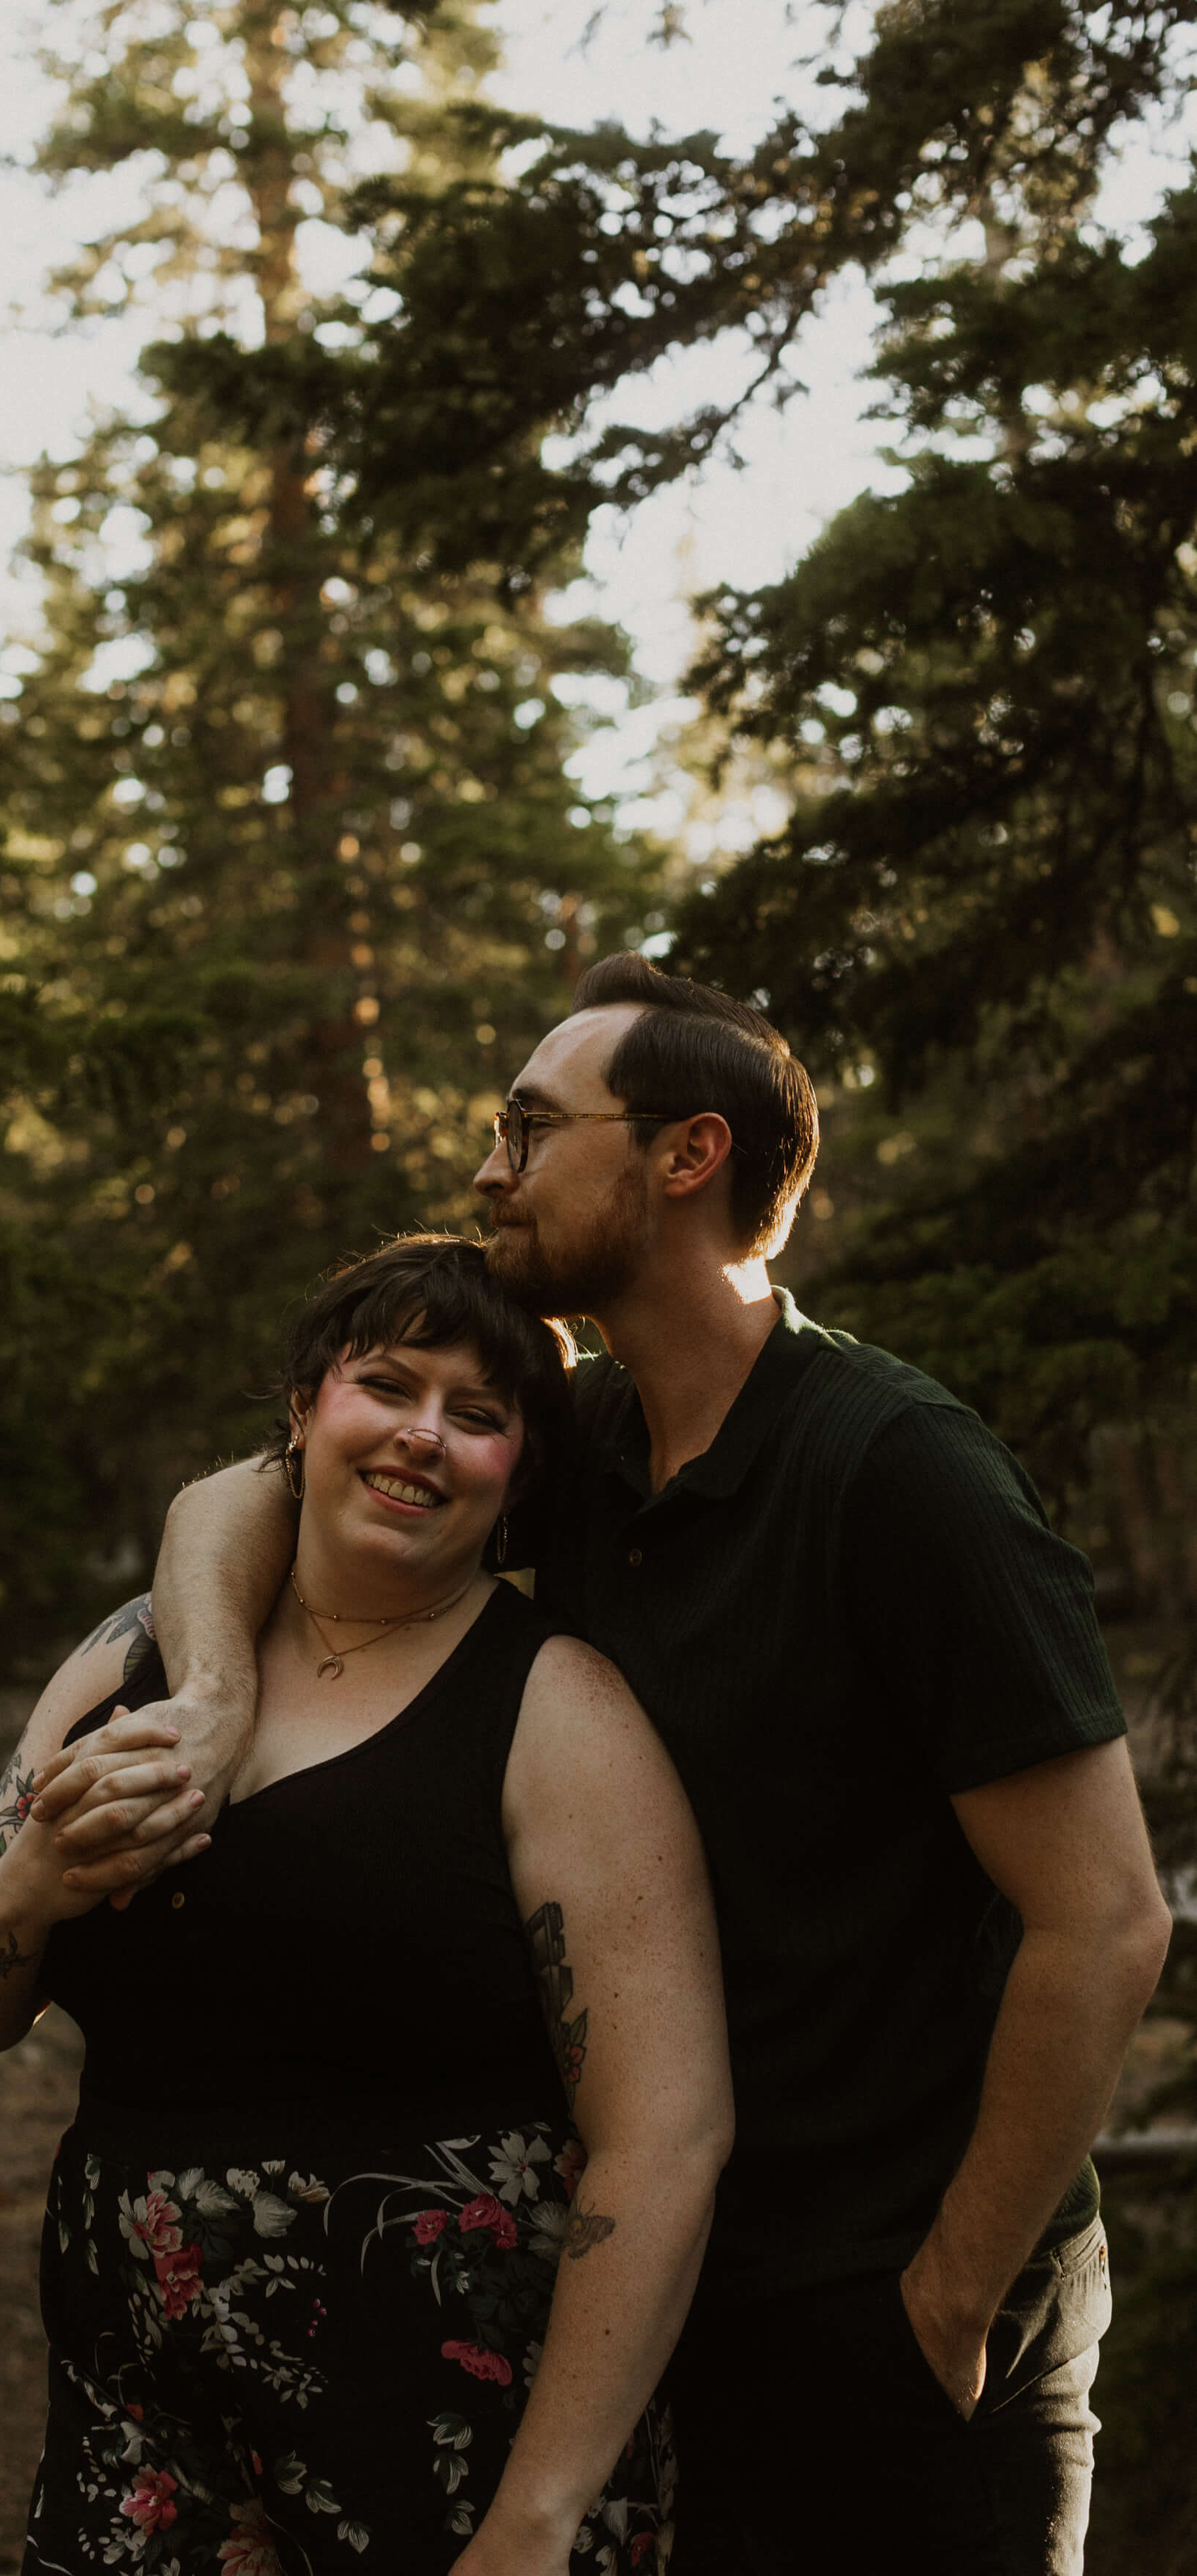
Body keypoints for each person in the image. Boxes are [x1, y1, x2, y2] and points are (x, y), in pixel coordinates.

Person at [67, 957, 1173, 2576]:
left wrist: (947, 2296)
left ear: (685, 1155)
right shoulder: (589, 1439)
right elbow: (240, 1492)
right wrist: (218, 1701)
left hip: (893, 2299)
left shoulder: (897, 1472)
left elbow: (1108, 1920)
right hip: (663, 2283)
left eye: (528, 1127)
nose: (488, 1170)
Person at [0, 1234, 731, 2576]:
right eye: (385, 1386)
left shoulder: (556, 1710)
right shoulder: (132, 1662)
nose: (421, 1435)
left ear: (518, 1472)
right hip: (143, 2429)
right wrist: (40, 1879)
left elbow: (666, 2138)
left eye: (476, 1414)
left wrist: (537, 2518)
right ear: (301, 1412)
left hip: (453, 2445)